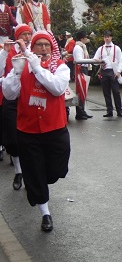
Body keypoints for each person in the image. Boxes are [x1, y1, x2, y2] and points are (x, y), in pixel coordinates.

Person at [2, 30, 71, 232]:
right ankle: (45, 213)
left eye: (46, 45)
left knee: (57, 170)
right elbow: (9, 93)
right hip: (28, 130)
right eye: (38, 45)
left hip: (55, 128)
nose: (43, 48)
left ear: (52, 48)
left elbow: (57, 88)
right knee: (34, 175)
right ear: (32, 48)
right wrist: (16, 72)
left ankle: (44, 181)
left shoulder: (60, 67)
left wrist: (35, 66)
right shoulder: (22, 67)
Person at [0, 24, 33, 190]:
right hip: (11, 99)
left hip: (28, 99)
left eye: (28, 34)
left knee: (29, 140)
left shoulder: (32, 52)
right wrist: (5, 52)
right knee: (13, 140)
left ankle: (28, 172)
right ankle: (19, 171)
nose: (27, 37)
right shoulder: (7, 51)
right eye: (23, 34)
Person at [93, 30, 122, 117]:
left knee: (116, 92)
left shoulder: (116, 48)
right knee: (106, 92)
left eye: (108, 37)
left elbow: (121, 60)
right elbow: (94, 60)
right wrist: (98, 61)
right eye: (105, 37)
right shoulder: (100, 49)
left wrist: (118, 71)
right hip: (104, 71)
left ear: (111, 37)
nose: (107, 38)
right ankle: (109, 110)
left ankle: (119, 110)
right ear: (103, 38)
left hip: (113, 71)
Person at [72, 31, 92, 120]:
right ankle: (79, 112)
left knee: (84, 91)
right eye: (85, 37)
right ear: (82, 38)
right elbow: (79, 60)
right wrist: (91, 60)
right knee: (80, 91)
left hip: (83, 68)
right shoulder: (78, 47)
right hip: (81, 69)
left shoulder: (82, 47)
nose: (86, 39)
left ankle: (82, 111)